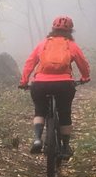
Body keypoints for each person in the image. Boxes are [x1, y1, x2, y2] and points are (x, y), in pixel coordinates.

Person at [19, 15, 90, 157]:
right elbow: (82, 62)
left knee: (40, 110)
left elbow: (30, 62)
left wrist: (24, 81)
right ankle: (65, 148)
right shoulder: (71, 45)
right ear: (70, 31)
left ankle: (38, 139)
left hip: (40, 85)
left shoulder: (43, 44)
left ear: (52, 29)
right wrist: (85, 77)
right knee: (64, 113)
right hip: (64, 85)